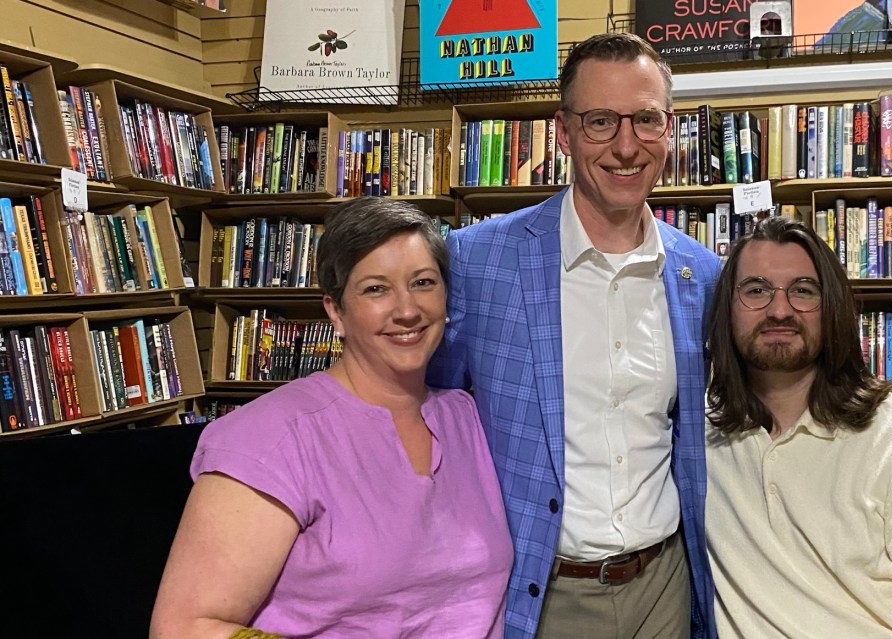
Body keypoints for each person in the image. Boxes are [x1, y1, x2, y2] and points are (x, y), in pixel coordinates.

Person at [429, 32, 721, 639]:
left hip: (665, 587)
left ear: (669, 128)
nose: (625, 146)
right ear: (563, 132)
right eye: (599, 122)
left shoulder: (703, 276)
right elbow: (431, 415)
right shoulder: (479, 262)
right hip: (538, 594)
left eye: (645, 120)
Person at [150, 198, 513, 639]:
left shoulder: (469, 418)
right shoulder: (269, 438)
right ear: (335, 311)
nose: (407, 310)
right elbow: (184, 628)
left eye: (423, 282)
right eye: (375, 289)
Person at [705, 216, 892, 638]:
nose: (779, 309)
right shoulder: (697, 432)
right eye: (756, 290)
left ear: (833, 307)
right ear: (727, 309)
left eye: (803, 291)